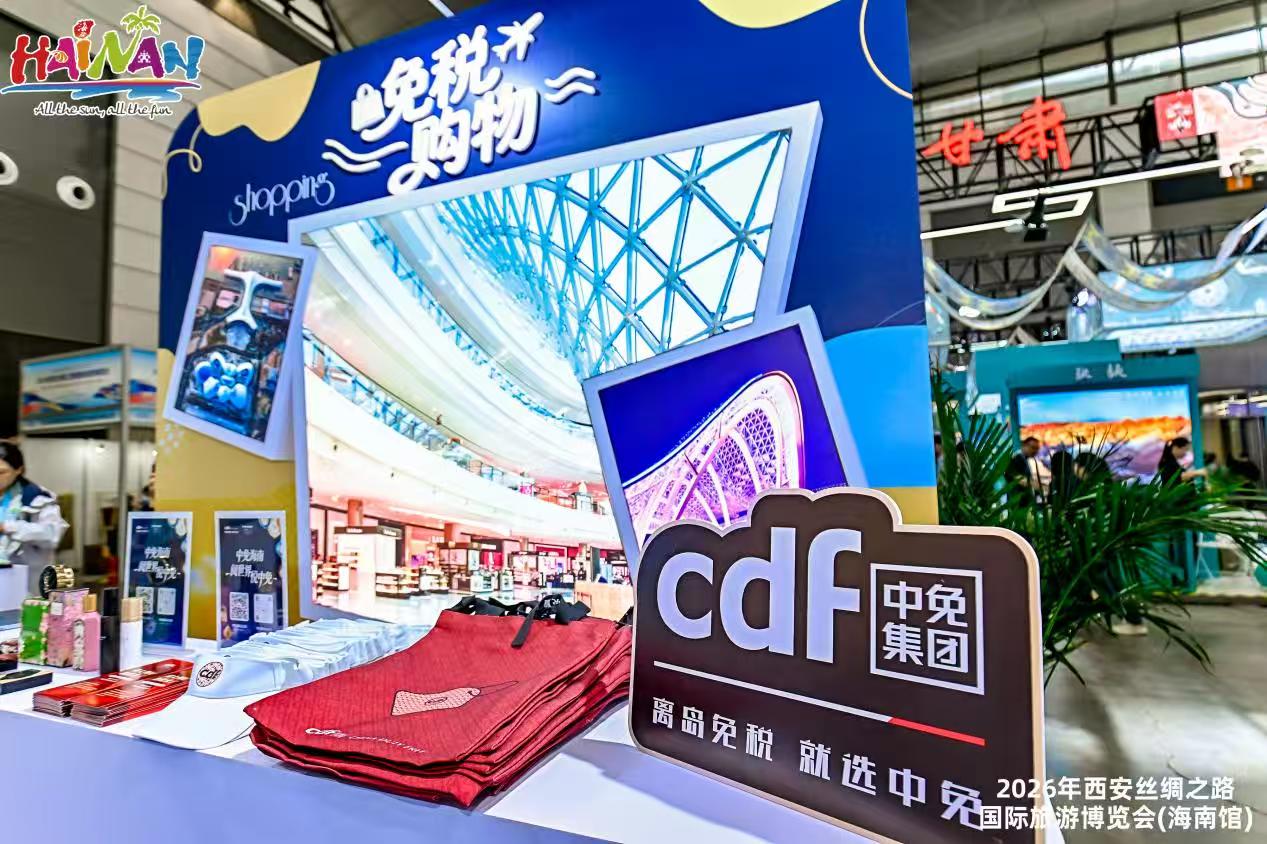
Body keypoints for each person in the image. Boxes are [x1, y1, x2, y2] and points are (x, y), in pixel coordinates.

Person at [0, 443, 68, 590]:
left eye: (2, 472)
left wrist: (8, 527)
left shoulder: (37, 498)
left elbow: (52, 535)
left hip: (27, 580)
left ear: (18, 470)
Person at [1006, 436, 1042, 502]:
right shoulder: (1016, 458)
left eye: (1037, 449)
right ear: (1024, 445)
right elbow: (1015, 476)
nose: (1035, 451)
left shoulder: (1025, 460)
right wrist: (1036, 485)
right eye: (1033, 447)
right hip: (1017, 500)